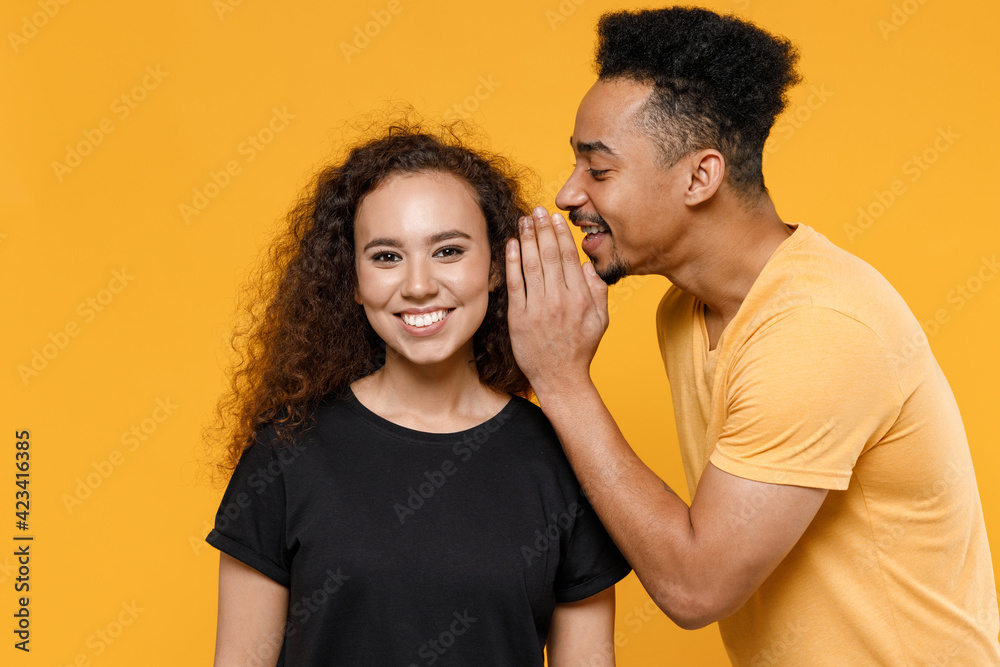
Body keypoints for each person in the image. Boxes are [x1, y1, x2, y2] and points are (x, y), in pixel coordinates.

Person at [506, 6, 1000, 665]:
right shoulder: (683, 313)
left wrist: (561, 378)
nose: (568, 194)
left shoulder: (819, 327)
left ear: (700, 177)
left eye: (598, 170)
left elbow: (694, 583)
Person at [204, 123, 631, 666]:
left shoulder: (564, 456)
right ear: (353, 280)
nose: (419, 285)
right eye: (386, 257)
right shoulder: (287, 449)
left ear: (498, 266)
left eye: (448, 250)